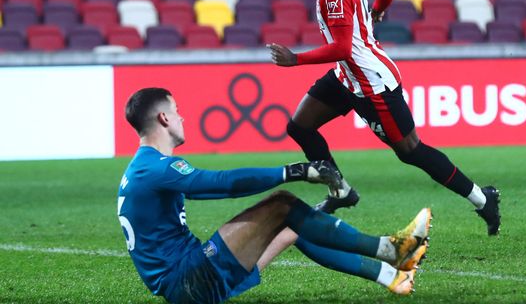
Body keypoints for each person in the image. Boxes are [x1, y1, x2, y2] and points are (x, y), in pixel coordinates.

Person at [266, 0, 501, 236]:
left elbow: (341, 47)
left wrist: (295, 59)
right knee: (299, 126)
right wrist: (377, 13)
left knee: (411, 151)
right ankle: (340, 191)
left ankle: (483, 199)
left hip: (372, 85)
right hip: (346, 76)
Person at [118, 87, 432, 303]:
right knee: (283, 204)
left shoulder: (143, 167)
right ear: (163, 119)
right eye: (176, 111)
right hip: (188, 280)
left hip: (189, 280)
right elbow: (218, 184)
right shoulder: (153, 167)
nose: (181, 117)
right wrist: (294, 170)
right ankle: (391, 249)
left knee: (294, 225)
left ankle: (390, 275)